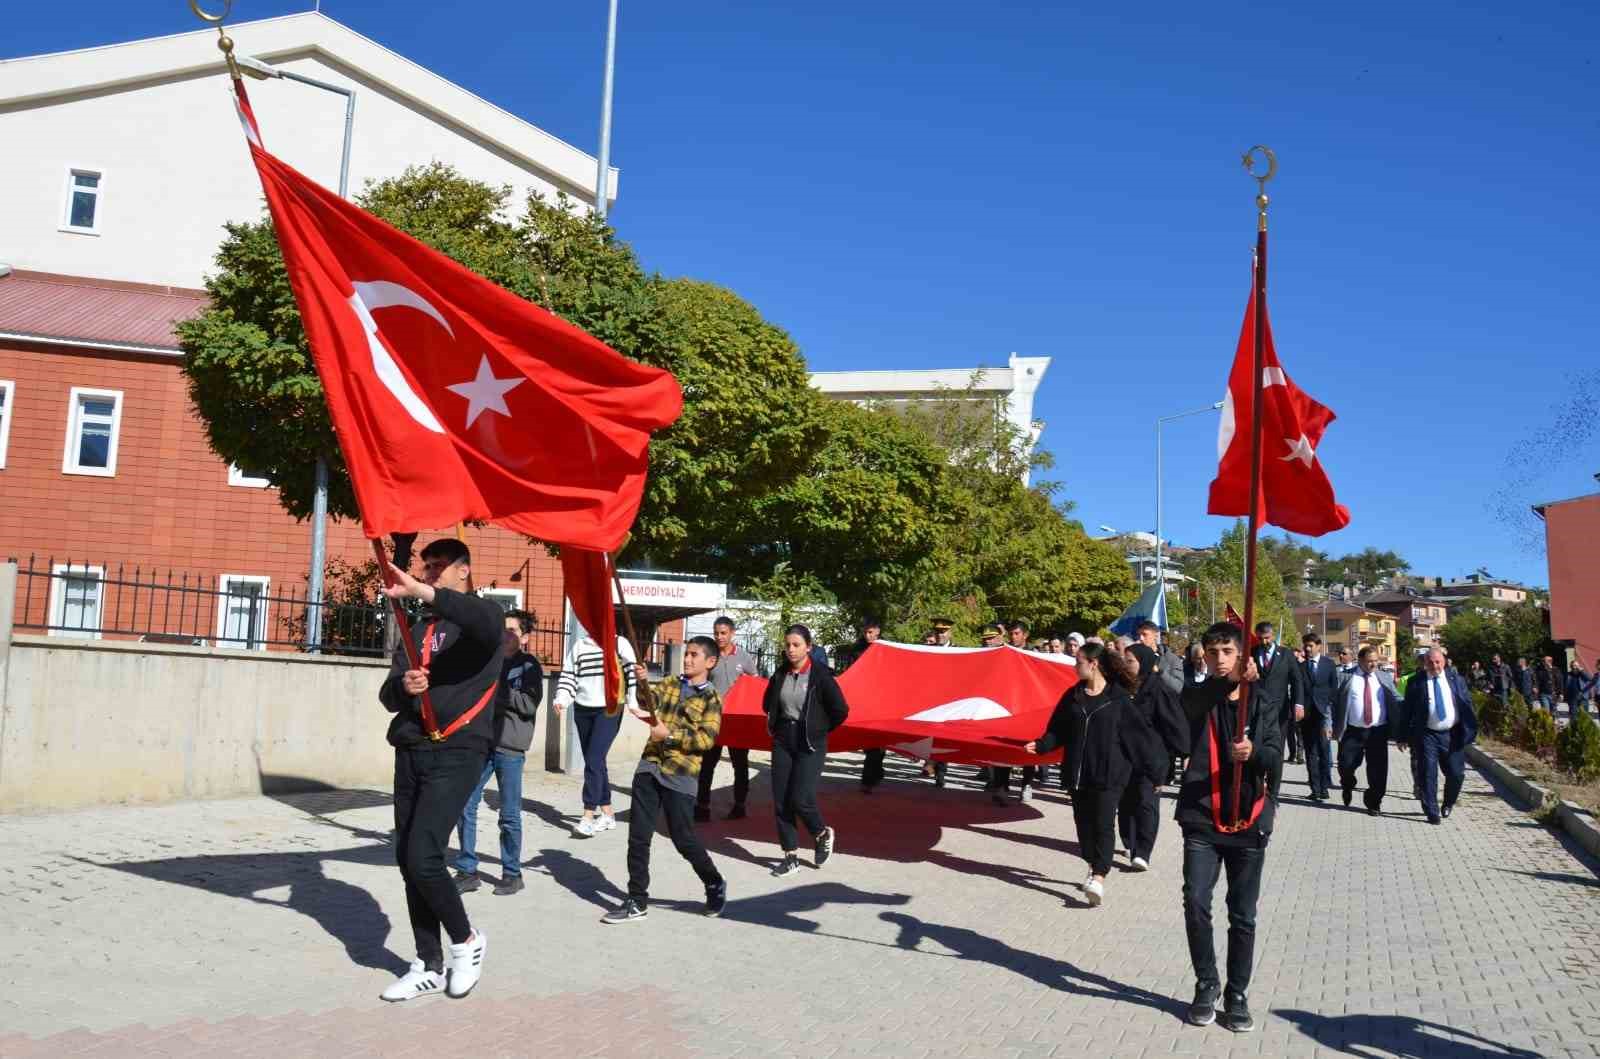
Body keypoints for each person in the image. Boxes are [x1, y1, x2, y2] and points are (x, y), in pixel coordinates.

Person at [376, 539, 501, 1002]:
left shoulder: (483, 621)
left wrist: (417, 589)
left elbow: (478, 618)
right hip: (411, 748)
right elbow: (387, 694)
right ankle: (427, 963)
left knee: (425, 855)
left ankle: (466, 941)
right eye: (425, 567)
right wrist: (405, 686)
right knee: (408, 859)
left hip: (458, 750)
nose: (428, 573)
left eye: (438, 567)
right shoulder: (417, 628)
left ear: (464, 571)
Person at [1176, 622, 1281, 1034]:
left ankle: (1237, 994)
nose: (1219, 659)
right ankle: (1206, 985)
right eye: (1212, 651)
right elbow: (1191, 707)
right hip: (1201, 817)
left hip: (1248, 820)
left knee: (1243, 915)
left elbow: (1274, 757)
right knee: (1196, 901)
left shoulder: (1262, 702)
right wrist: (1229, 683)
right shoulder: (1199, 695)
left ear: (1242, 655)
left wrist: (1254, 753)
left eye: (1227, 652)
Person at [1024, 642, 1162, 906]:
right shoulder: (1073, 696)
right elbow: (1058, 729)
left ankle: (1099, 876)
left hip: (1110, 775)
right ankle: (1092, 863)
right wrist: (1042, 745)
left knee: (1103, 824)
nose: (1075, 667)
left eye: (1078, 662)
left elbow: (1140, 740)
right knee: (1084, 826)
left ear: (1093, 664)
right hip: (1078, 774)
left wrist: (1156, 773)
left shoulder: (1119, 699)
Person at [602, 637, 727, 924]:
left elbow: (706, 741)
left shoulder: (711, 698)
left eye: (694, 655)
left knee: (683, 838)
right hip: (650, 766)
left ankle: (713, 881)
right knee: (638, 837)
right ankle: (637, 899)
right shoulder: (670, 683)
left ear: (710, 662)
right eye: (686, 654)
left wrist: (668, 735)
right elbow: (650, 703)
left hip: (680, 773)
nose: (687, 659)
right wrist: (642, 682)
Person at [452, 609, 545, 896]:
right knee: (465, 804)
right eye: (503, 629)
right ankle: (467, 869)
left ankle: (512, 873)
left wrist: (498, 688)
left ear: (525, 638)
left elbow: (528, 705)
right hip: (482, 743)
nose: (505, 635)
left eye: (513, 631)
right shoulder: (488, 661)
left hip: (510, 748)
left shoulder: (530, 667)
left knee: (509, 814)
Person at [764, 624, 850, 877]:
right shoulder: (780, 673)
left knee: (801, 798)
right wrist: (776, 723)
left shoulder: (821, 676)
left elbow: (840, 711)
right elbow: (767, 702)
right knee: (781, 800)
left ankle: (821, 833)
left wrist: (818, 728)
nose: (791, 649)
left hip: (810, 742)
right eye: (788, 645)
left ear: (808, 647)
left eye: (796, 645)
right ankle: (790, 856)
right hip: (783, 739)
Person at [553, 625, 638, 837]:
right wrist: (562, 699)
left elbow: (631, 674)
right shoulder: (580, 645)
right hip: (582, 709)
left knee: (592, 760)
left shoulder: (619, 643)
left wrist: (633, 702)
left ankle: (588, 815)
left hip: (610, 708)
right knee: (596, 762)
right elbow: (569, 674)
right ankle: (608, 813)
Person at [1117, 643, 1187, 870]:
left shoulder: (1159, 690)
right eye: (1124, 660)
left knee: (1146, 803)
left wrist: (1185, 754)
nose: (1126, 665)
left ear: (1144, 663)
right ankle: (1129, 841)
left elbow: (1174, 724)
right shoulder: (1119, 688)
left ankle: (1143, 852)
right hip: (1124, 756)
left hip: (1152, 758)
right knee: (1126, 803)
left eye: (1130, 661)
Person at [1395, 648, 1478, 825]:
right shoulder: (1416, 682)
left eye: (1437, 662)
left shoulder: (1457, 680)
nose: (1434, 666)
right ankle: (1431, 811)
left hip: (1452, 734)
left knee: (1456, 773)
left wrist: (1470, 730)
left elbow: (1467, 705)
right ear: (1425, 663)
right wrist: (1401, 736)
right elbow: (1406, 711)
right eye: (1430, 662)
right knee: (1428, 774)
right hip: (1427, 735)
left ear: (1444, 661)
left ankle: (1448, 803)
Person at [695, 616, 761, 820]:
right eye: (716, 633)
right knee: (707, 765)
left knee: (740, 765)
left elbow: (755, 683)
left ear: (732, 633)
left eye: (723, 633)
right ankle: (702, 806)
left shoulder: (744, 657)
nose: (719, 637)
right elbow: (697, 681)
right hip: (712, 720)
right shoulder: (709, 656)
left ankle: (740, 805)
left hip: (738, 722)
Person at [1334, 646, 1401, 815]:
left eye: (1376, 661)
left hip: (1378, 731)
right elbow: (1331, 700)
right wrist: (1328, 724)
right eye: (1370, 661)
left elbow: (1396, 697)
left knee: (1378, 769)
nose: (1373, 664)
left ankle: (1374, 801)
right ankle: (1348, 784)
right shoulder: (1345, 677)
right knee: (1345, 765)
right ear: (1360, 660)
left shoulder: (1383, 677)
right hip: (1352, 731)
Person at [1252, 622, 1306, 787]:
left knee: (1277, 750)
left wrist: (1299, 704)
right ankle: (1258, 785)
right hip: (1257, 710)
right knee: (1258, 748)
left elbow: (1297, 680)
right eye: (1260, 639)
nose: (1264, 642)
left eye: (1267, 638)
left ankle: (1273, 790)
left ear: (1273, 635)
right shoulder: (1252, 652)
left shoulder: (1286, 654)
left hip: (1279, 711)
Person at [1299, 634, 1338, 802]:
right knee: (1310, 753)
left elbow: (1333, 688)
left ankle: (1324, 787)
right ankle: (1315, 789)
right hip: (1306, 716)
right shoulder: (1300, 666)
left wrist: (1328, 709)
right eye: (1305, 646)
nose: (1307, 649)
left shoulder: (1329, 664)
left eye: (1310, 646)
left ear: (1318, 646)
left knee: (1324, 751)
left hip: (1323, 714)